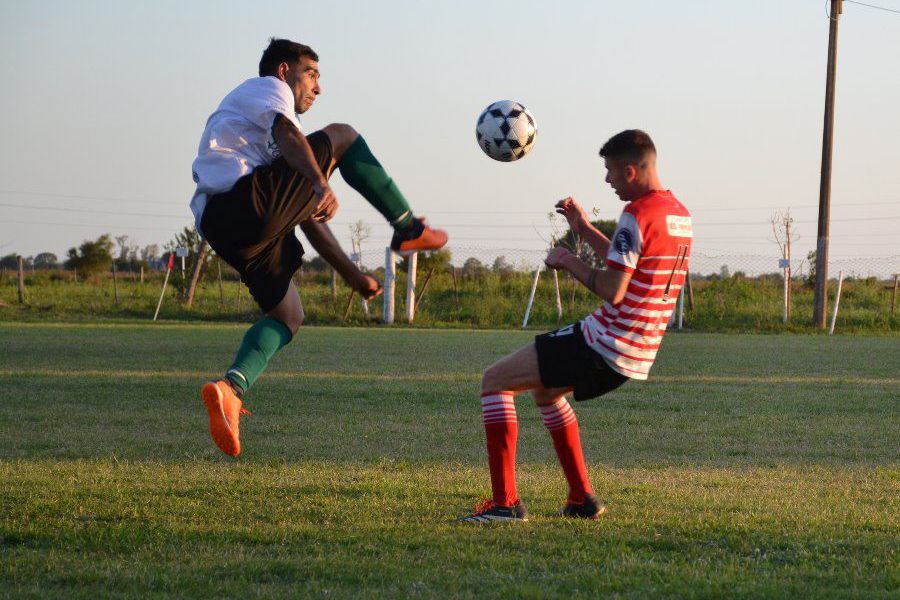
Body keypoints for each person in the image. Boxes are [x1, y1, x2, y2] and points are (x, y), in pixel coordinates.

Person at [192, 38, 448, 457]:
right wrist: (319, 180)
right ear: (283, 72)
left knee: (288, 315)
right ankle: (407, 225)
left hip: (224, 225)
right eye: (311, 74)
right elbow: (288, 132)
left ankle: (231, 389)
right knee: (343, 136)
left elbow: (305, 215)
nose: (317, 87)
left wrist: (353, 276)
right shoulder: (267, 91)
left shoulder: (253, 130)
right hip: (242, 200)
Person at [459, 130, 692, 523]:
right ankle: (581, 498)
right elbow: (629, 261)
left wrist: (568, 260)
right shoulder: (677, 214)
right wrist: (583, 229)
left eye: (611, 172)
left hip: (605, 342)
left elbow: (613, 289)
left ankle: (505, 506)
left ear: (631, 170)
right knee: (546, 394)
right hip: (637, 350)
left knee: (494, 381)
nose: (608, 181)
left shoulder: (635, 214)